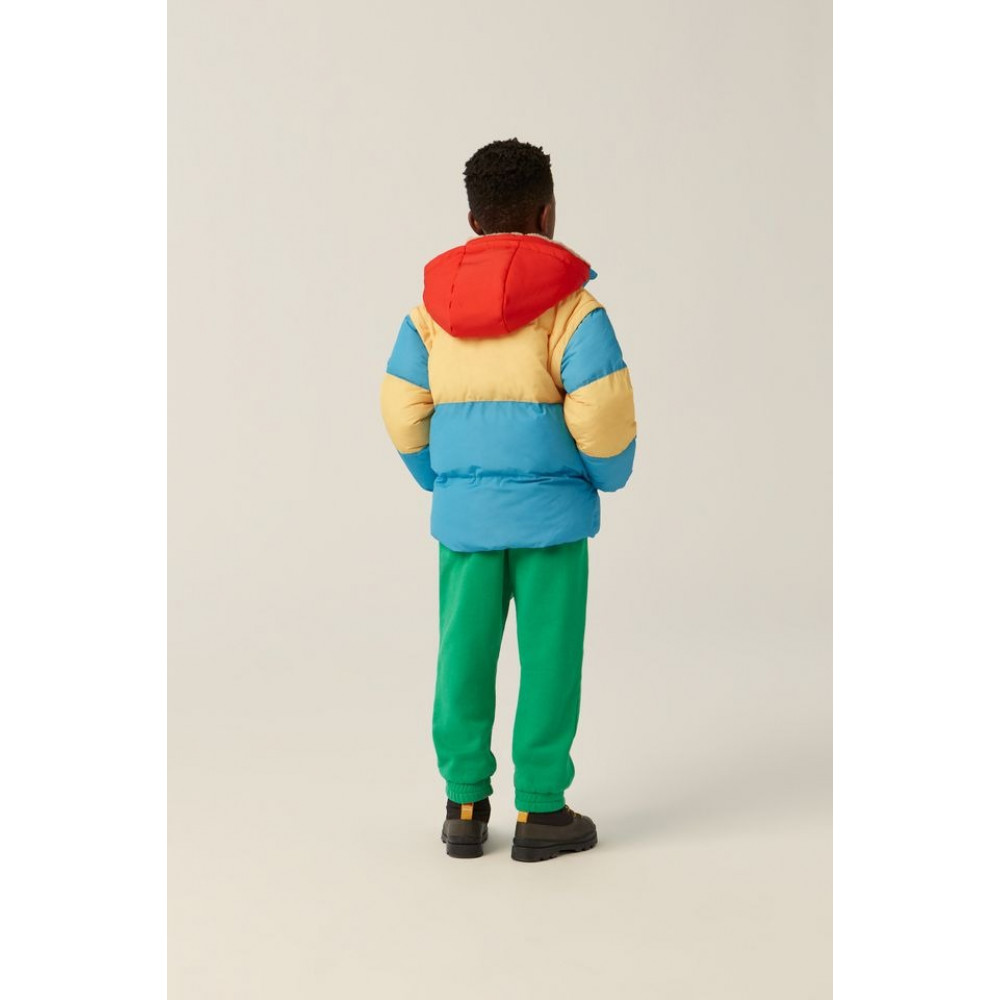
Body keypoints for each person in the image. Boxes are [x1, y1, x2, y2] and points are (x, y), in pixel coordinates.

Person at [379, 137, 637, 861]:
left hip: (465, 521)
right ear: (548, 213)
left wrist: (442, 478)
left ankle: (464, 805)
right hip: (552, 519)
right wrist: (606, 475)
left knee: (462, 653)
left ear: (472, 220)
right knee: (550, 658)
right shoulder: (573, 308)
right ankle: (541, 810)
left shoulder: (429, 311)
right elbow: (603, 411)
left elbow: (401, 407)